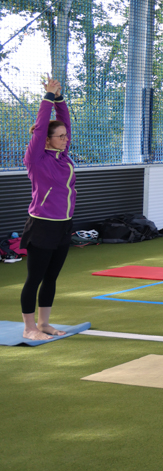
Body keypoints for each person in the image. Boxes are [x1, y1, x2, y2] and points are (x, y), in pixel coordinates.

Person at [19, 77, 76, 342]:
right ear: (46, 140)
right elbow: (41, 127)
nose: (65, 139)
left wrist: (60, 99)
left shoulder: (63, 157)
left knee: (51, 277)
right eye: (60, 136)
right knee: (35, 278)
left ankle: (43, 324)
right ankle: (28, 327)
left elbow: (66, 122)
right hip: (42, 225)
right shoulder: (36, 159)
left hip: (63, 224)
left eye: (65, 136)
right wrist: (48, 97)